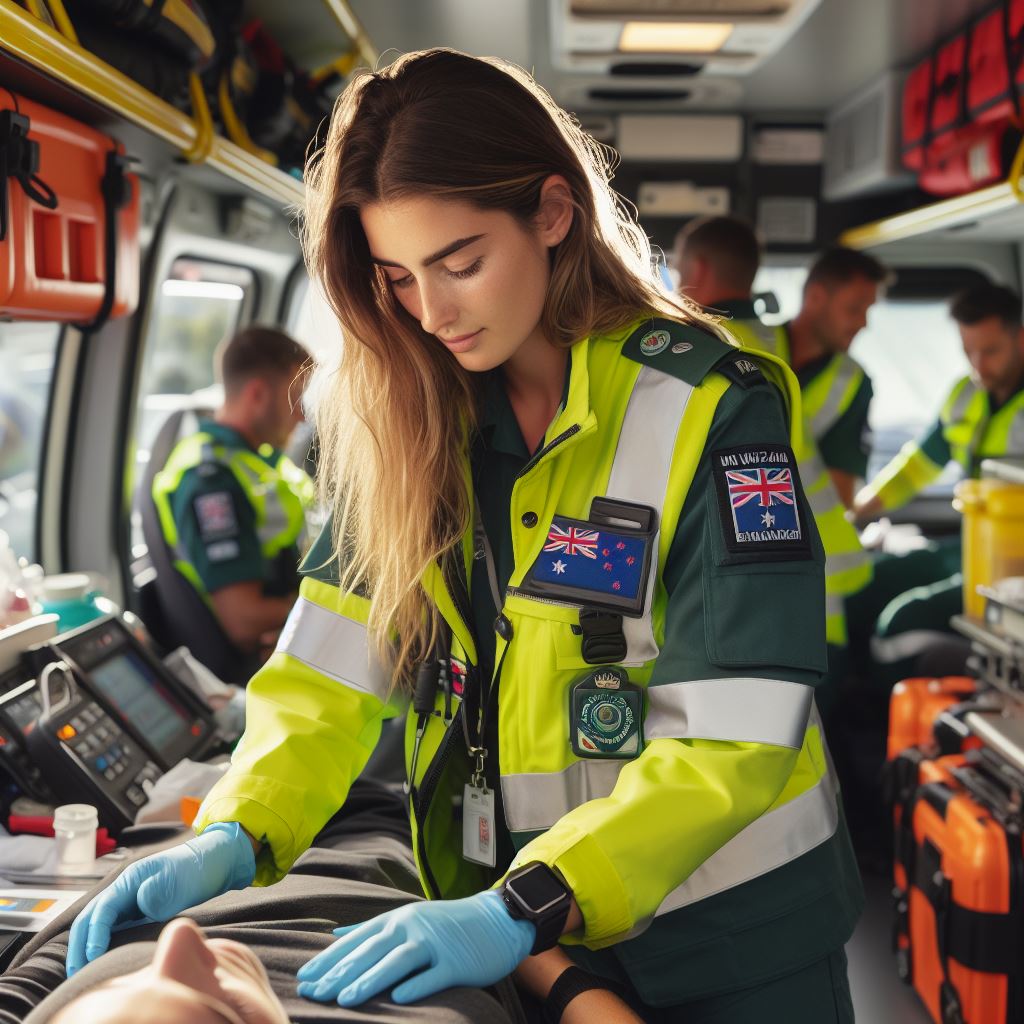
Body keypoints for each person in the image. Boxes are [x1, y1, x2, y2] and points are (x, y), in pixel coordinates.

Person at [68, 49, 861, 1022]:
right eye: (397, 277)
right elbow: (326, 674)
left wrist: (526, 903)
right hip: (517, 930)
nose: (431, 312)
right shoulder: (408, 419)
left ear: (553, 215)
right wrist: (236, 826)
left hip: (730, 935)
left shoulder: (707, 404)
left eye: (461, 263)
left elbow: (736, 732)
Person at [675, 217, 875, 662]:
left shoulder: (692, 351)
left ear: (698, 270)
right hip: (814, 592)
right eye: (855, 307)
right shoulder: (770, 348)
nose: (863, 323)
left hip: (750, 595)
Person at [851, 283, 1024, 677]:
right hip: (972, 547)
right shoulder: (965, 395)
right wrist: (857, 511)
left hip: (1015, 567)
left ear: (1021, 338)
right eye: (969, 352)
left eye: (991, 351)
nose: (979, 365)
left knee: (902, 621)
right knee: (865, 582)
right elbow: (917, 466)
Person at [151, 325, 316, 656]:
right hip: (255, 661)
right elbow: (243, 620)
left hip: (289, 630)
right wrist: (325, 612)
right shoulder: (210, 480)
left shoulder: (258, 460)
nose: (301, 416)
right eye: (296, 398)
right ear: (257, 394)